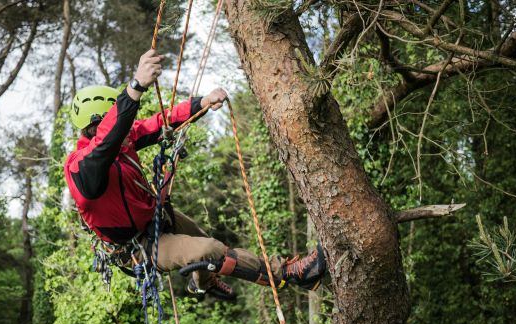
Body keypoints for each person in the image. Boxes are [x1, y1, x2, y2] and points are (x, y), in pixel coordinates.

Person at [64, 49, 326, 300]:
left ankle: (203, 282)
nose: (128, 131)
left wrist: (202, 102)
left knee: (201, 236)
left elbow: (159, 123)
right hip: (138, 248)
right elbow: (105, 146)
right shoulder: (81, 169)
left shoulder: (124, 139)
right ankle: (291, 275)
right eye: (120, 127)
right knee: (209, 251)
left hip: (155, 219)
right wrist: (135, 87)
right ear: (95, 128)